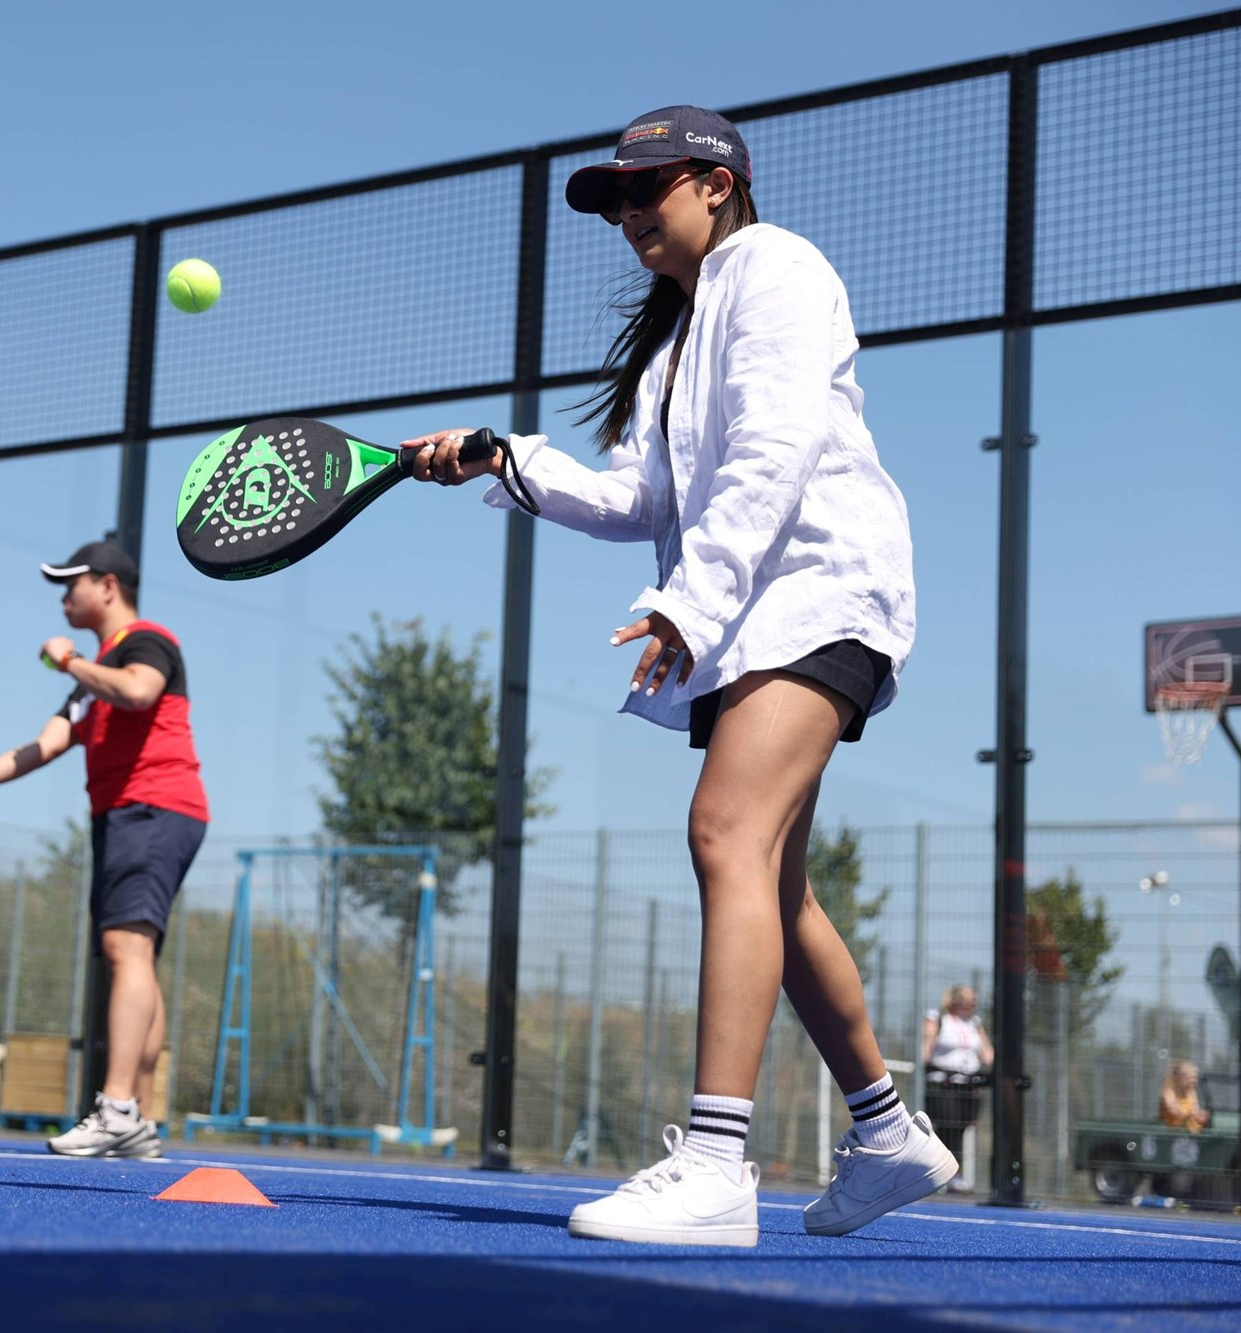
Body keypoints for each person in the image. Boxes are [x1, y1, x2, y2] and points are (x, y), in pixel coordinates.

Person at [405, 105, 951, 1246]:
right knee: (773, 881)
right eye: (612, 201)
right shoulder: (673, 345)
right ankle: (888, 1129)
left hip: (818, 592)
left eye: (642, 190)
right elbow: (638, 500)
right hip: (749, 610)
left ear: (715, 184)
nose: (625, 216)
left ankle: (714, 1165)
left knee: (721, 832)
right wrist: (508, 458)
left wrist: (685, 602)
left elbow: (776, 446)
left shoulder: (775, 266)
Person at [0, 540, 208, 1159]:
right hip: (132, 813)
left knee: (124, 947)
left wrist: (72, 661)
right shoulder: (89, 678)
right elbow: (41, 748)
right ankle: (141, 1121)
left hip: (154, 805)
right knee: (137, 955)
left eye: (70, 584)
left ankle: (118, 1109)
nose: (62, 597)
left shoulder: (145, 641)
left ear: (108, 586)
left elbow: (138, 692)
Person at [922, 983, 994, 1192]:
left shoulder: (974, 1023)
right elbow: (926, 1049)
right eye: (968, 997)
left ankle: (952, 1173)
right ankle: (938, 1172)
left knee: (960, 1129)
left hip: (967, 1085)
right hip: (943, 1083)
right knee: (946, 1127)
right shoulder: (939, 1019)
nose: (973, 1001)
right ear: (955, 999)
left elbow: (987, 1053)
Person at [1158, 1059, 1211, 1132]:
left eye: (1195, 1078)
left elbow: (1195, 1111)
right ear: (1180, 1078)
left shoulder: (1191, 1091)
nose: (1194, 1081)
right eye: (1191, 1078)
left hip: (1191, 1134)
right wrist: (1190, 1114)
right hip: (1172, 1134)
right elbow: (1174, 1114)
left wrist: (1200, 1116)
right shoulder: (1169, 1092)